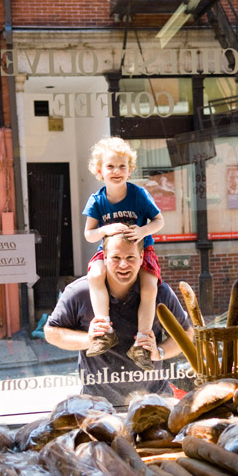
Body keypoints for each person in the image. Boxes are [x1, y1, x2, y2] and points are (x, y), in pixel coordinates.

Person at [45, 233, 193, 409]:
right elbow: (51, 332)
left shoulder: (160, 292)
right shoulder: (80, 292)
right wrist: (88, 339)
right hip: (96, 406)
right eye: (116, 257)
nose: (123, 264)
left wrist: (159, 352)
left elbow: (186, 333)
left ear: (141, 259)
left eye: (130, 257)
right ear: (104, 258)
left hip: (155, 401)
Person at [82, 136, 165, 370]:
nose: (116, 171)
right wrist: (105, 229)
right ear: (100, 170)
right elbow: (89, 234)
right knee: (95, 275)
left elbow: (159, 221)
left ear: (130, 170)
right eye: (110, 166)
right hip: (110, 253)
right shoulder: (97, 200)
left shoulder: (138, 195)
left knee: (150, 286)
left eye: (122, 166)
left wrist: (143, 230)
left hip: (141, 250)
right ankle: (105, 330)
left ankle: (141, 342)